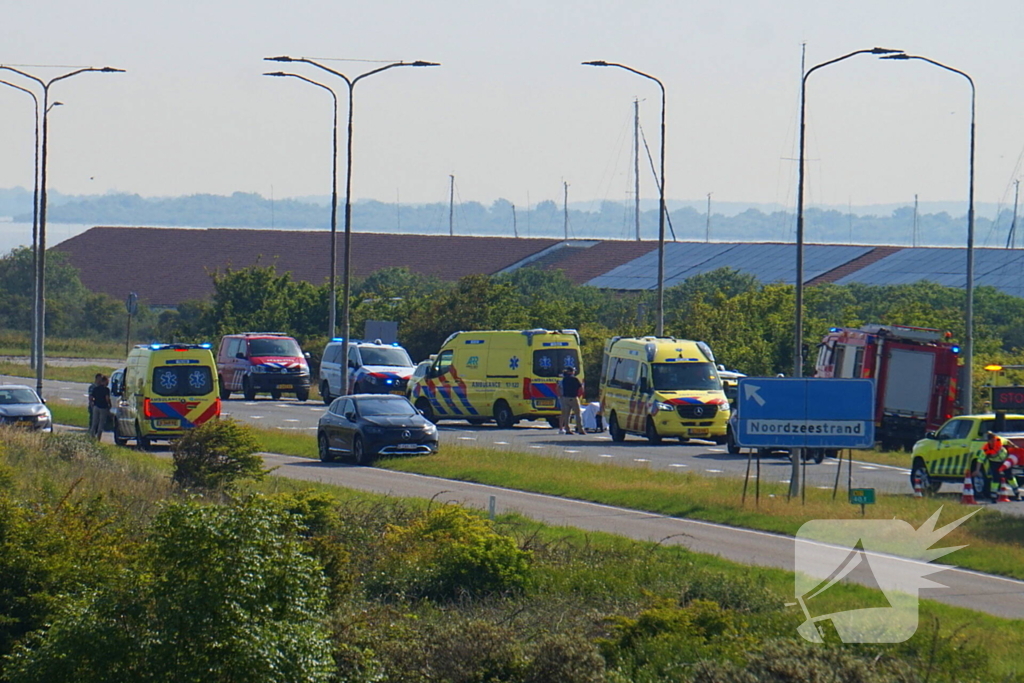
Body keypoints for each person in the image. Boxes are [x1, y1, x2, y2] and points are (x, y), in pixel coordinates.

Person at [977, 432, 1008, 502]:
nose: (994, 442)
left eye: (994, 440)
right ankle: (994, 495)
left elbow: (1008, 442)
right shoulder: (985, 449)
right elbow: (980, 460)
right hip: (994, 463)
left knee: (1010, 476)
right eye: (992, 440)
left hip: (1005, 460)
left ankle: (1016, 493)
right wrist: (977, 470)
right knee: (995, 478)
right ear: (989, 441)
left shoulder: (999, 440)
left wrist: (1014, 446)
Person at [558, 366, 585, 435]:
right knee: (578, 414)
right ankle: (580, 429)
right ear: (571, 372)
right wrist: (579, 395)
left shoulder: (564, 379)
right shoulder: (575, 379)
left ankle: (567, 429)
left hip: (565, 398)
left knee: (567, 415)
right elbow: (581, 388)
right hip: (573, 397)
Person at [89, 374, 111, 440]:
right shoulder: (106, 390)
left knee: (94, 422)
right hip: (103, 407)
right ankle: (98, 437)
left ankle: (91, 435)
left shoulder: (96, 388)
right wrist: (109, 404)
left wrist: (92, 403)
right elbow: (107, 398)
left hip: (96, 406)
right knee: (101, 423)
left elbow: (91, 397)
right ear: (104, 381)